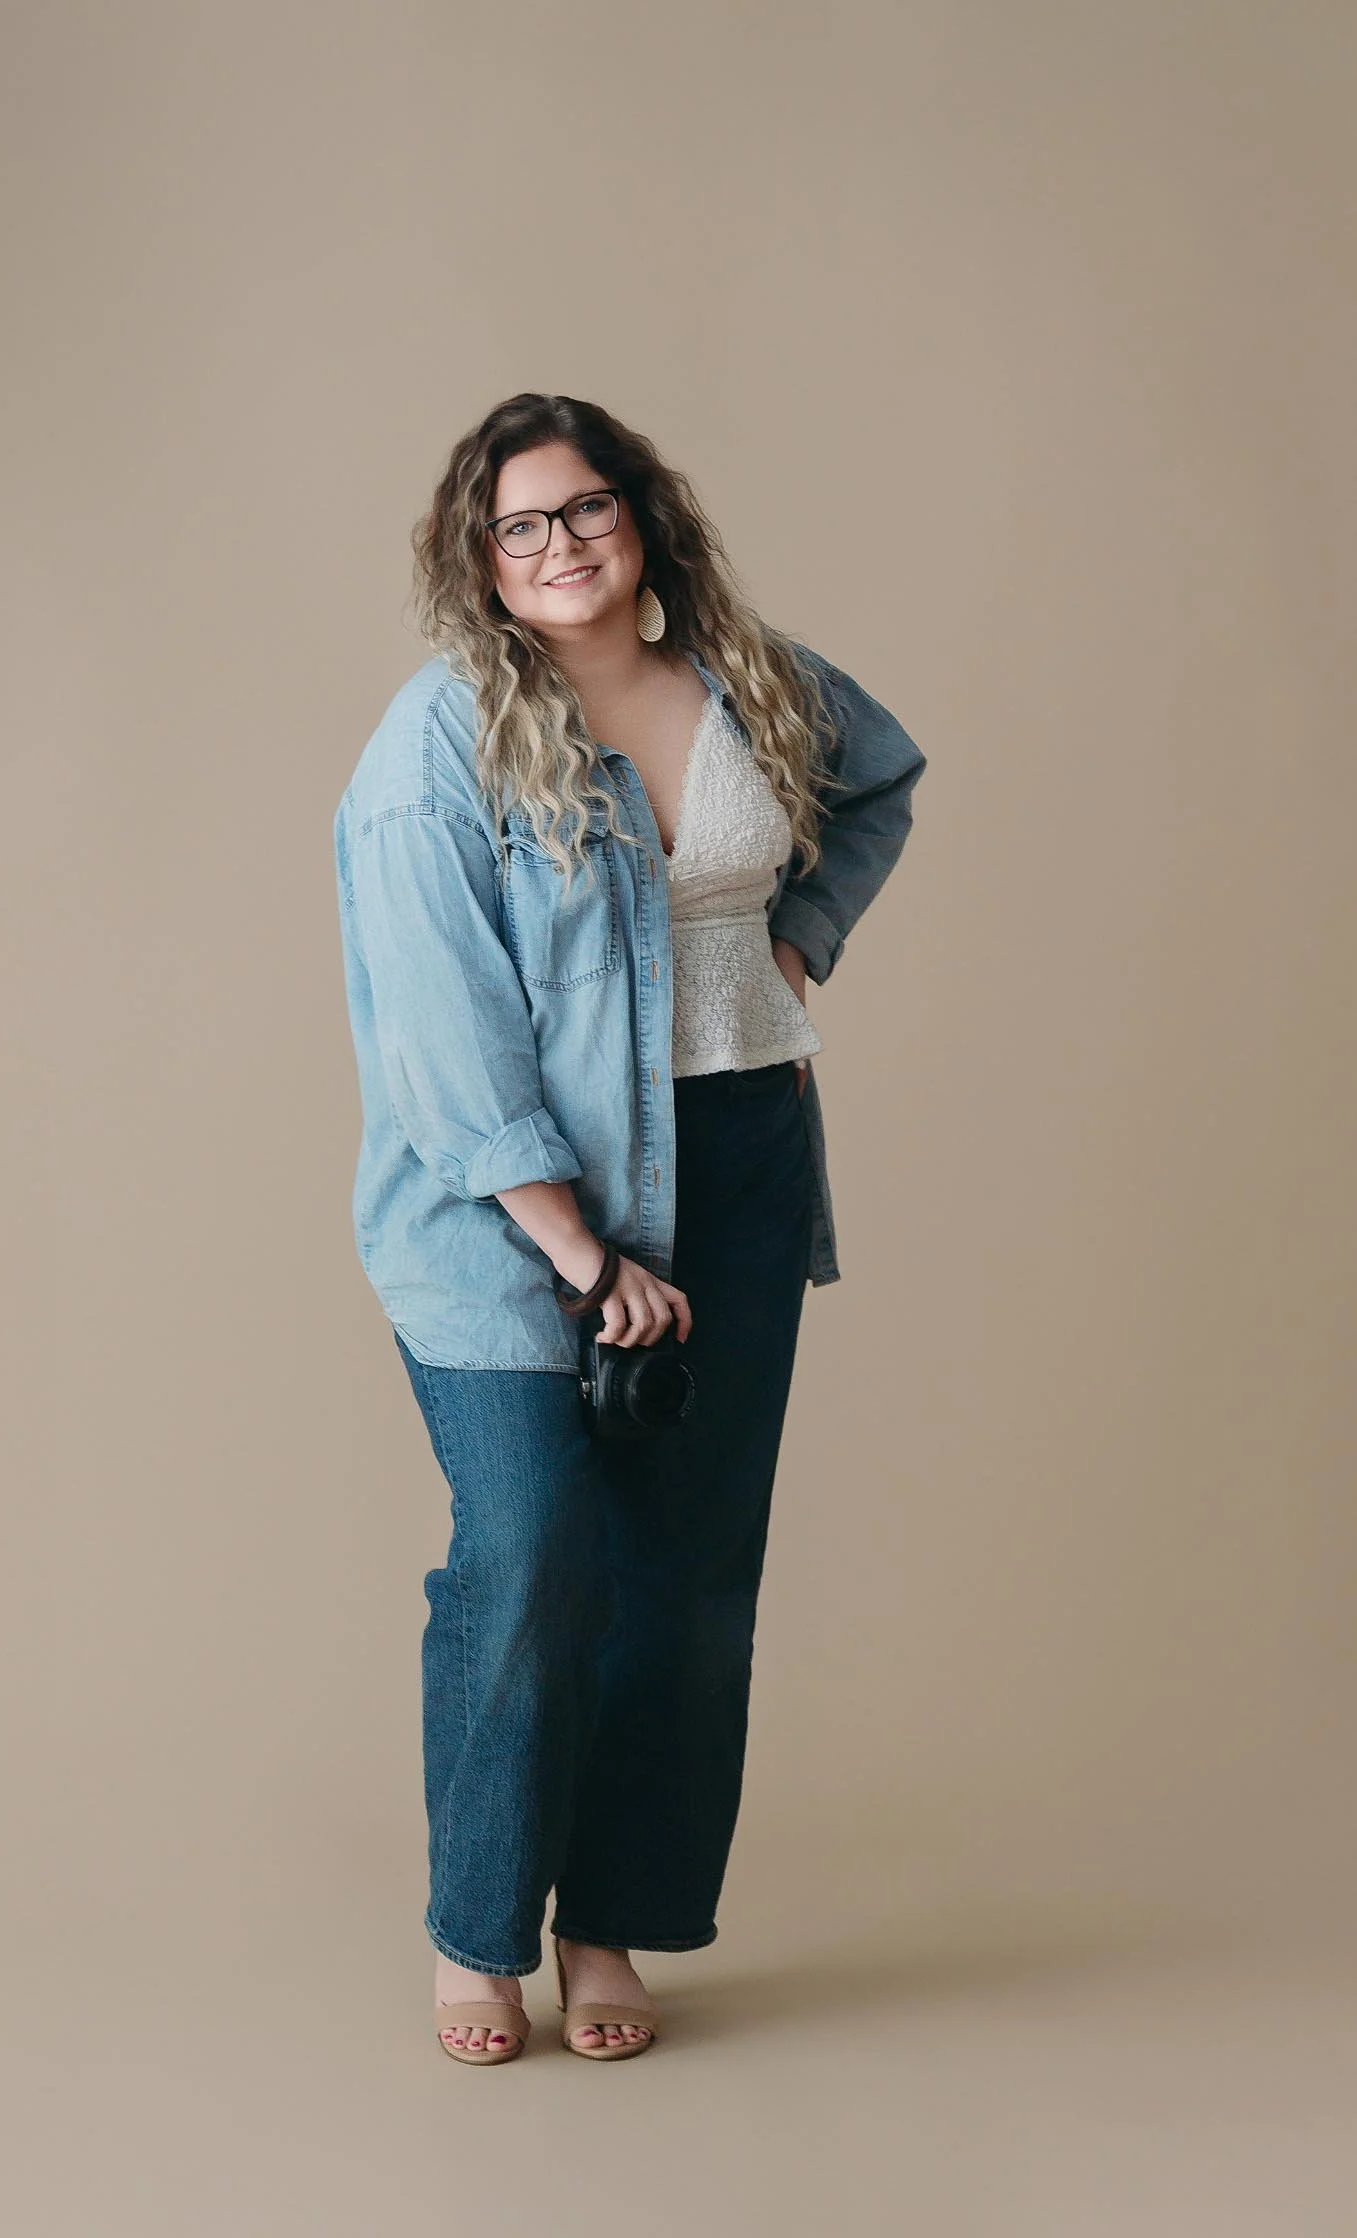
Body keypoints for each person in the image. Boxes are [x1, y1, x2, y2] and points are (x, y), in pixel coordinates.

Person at [333, 392, 926, 2064]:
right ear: (483, 559)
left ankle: (610, 1923)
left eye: (583, 508)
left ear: (639, 517)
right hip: (512, 1208)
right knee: (531, 1554)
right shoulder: (435, 743)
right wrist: (587, 1254)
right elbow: (443, 1046)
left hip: (734, 1160)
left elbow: (875, 787)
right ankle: (482, 1928)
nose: (559, 546)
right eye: (519, 525)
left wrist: (794, 943)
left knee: (686, 1584)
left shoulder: (753, 680)